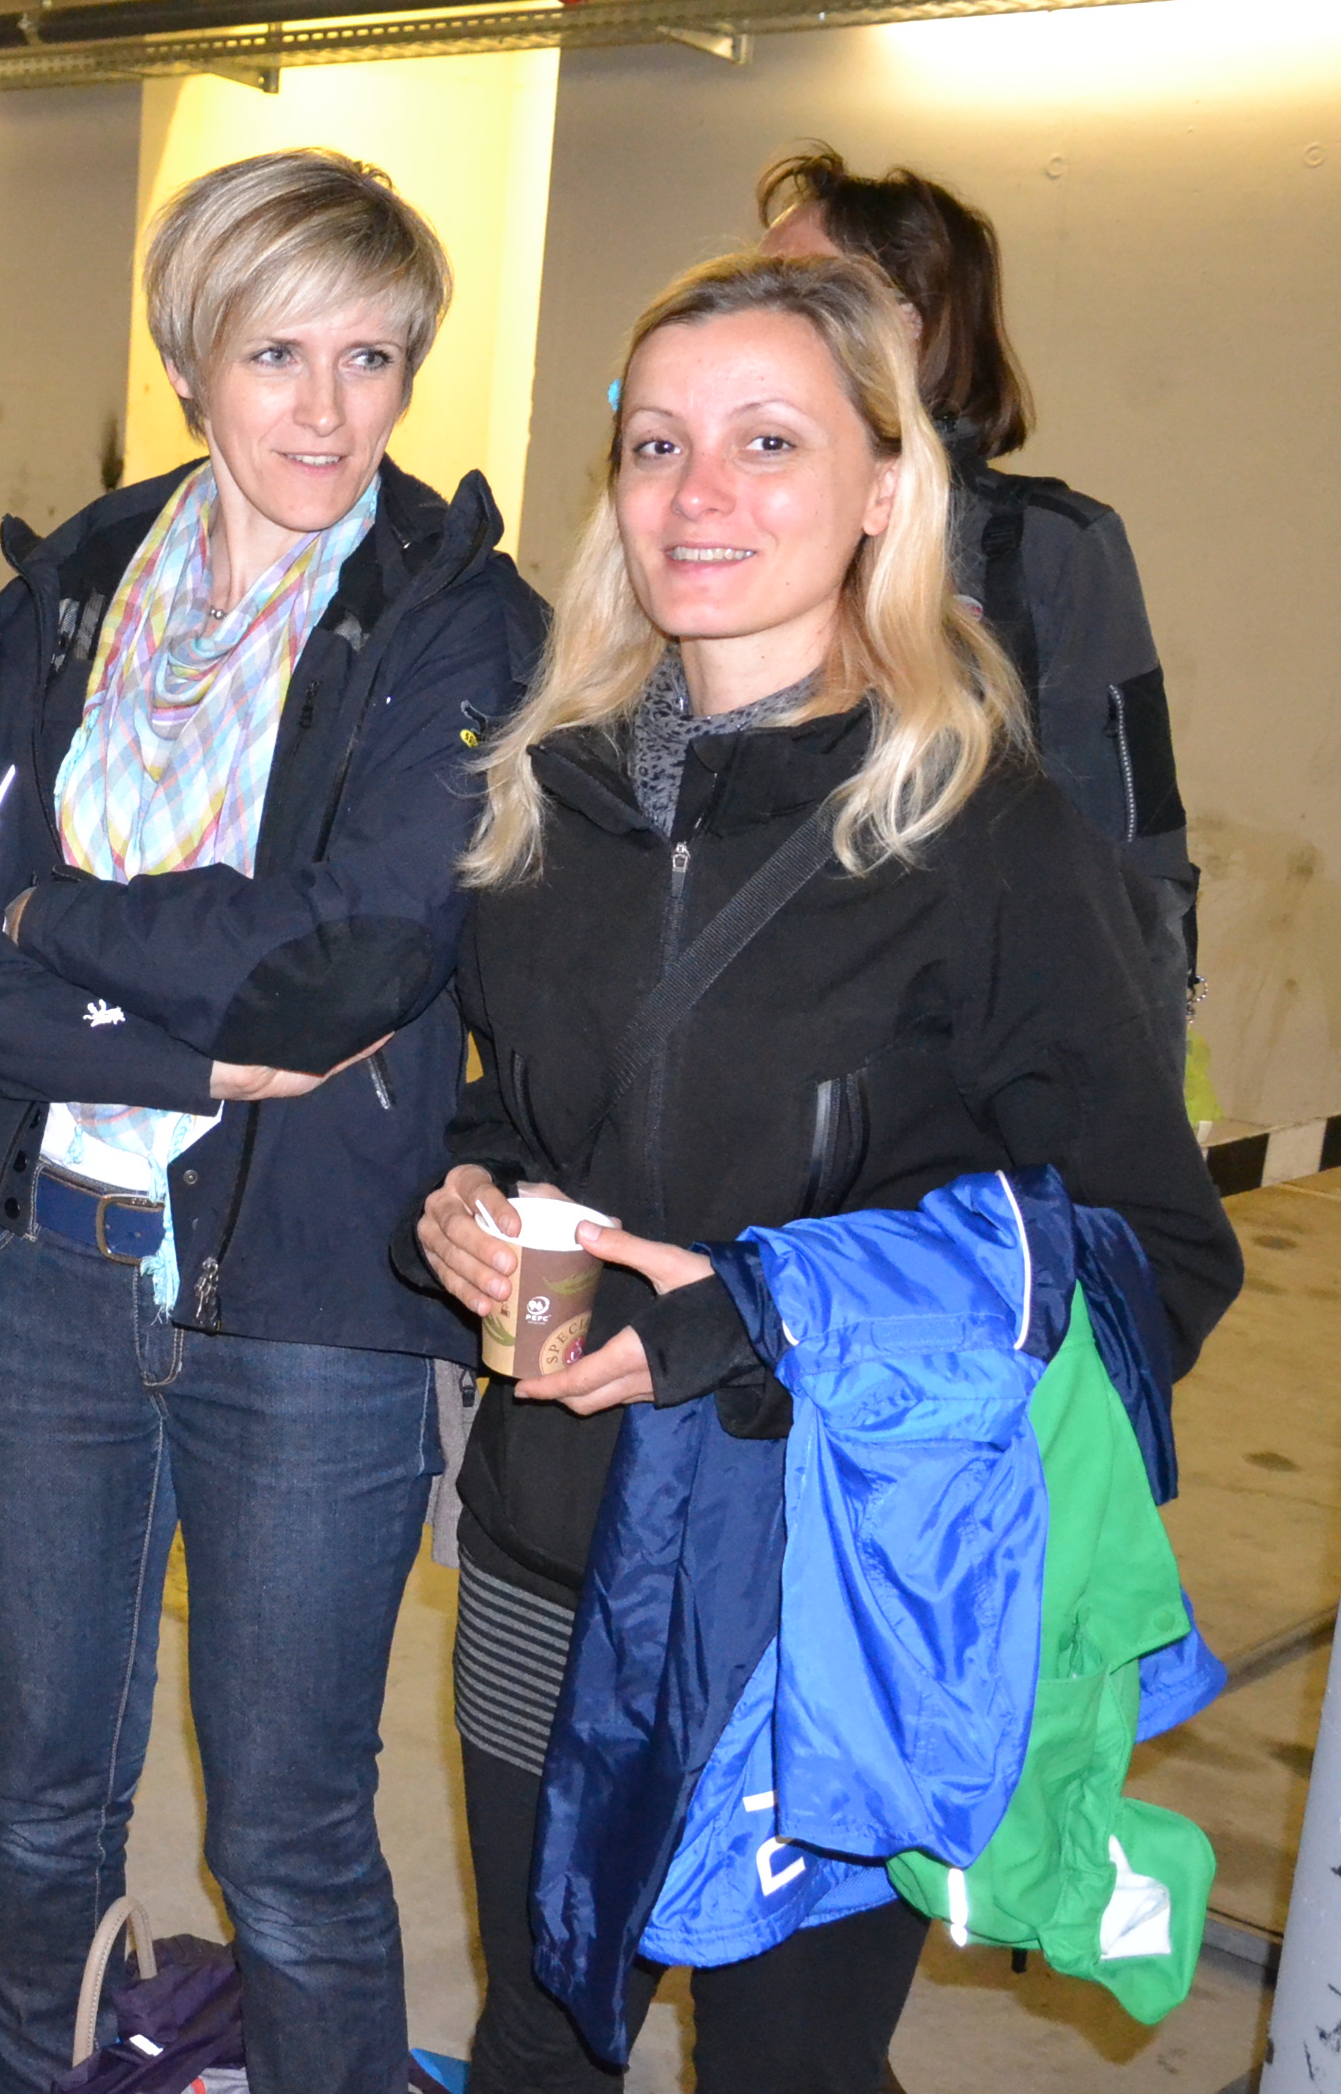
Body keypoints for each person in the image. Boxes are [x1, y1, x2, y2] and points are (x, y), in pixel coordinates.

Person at [409, 249, 1240, 2093]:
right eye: (656, 443)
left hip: (826, 1583)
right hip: (549, 1540)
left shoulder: (992, 840)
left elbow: (1146, 1260)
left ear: (883, 486)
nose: (697, 493)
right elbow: (529, 1116)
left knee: (784, 2066)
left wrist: (754, 1314)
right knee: (540, 2026)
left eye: (767, 441)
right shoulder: (551, 799)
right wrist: (462, 1203)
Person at [0, 147, 542, 2094]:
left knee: (290, 1834)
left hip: (316, 1306)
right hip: (54, 1273)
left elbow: (348, 961)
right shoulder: (65, 595)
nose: (328, 410)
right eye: (276, 356)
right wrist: (183, 1053)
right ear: (188, 361)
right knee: (41, 1784)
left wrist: (54, 920)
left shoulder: (453, 622)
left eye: (372, 357)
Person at [755, 148, 1198, 1053]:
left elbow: (1131, 849)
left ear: (906, 326)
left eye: (795, 288)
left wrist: (1141, 1064)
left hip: (962, 1054)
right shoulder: (717, 531)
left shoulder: (1045, 547)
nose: (747, 310)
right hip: (757, 1029)